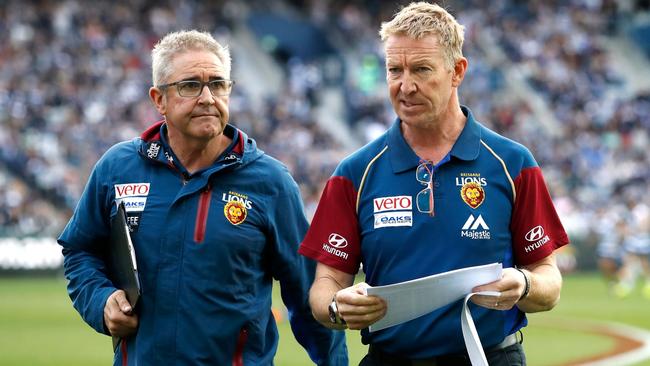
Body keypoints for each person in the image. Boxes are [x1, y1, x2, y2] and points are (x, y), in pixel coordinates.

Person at [299, 3, 570, 365]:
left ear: (457, 71)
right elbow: (325, 285)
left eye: (422, 70)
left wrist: (523, 284)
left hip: (490, 357)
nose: (405, 86)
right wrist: (336, 305)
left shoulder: (513, 164)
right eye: (394, 70)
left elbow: (548, 281)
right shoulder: (354, 173)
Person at [58, 30, 347, 365]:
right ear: (158, 99)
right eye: (190, 85)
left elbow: (307, 293)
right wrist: (101, 301)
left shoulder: (270, 182)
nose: (208, 97)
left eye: (218, 84)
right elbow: (81, 251)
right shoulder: (118, 168)